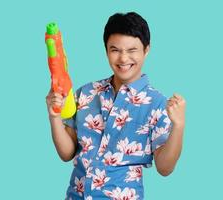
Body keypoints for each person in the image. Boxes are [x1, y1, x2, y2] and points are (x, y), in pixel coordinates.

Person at [46, 12, 186, 200]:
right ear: (106, 50)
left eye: (132, 50)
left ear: (146, 50)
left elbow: (165, 168)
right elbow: (67, 153)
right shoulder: (86, 93)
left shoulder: (157, 104)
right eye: (115, 50)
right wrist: (54, 116)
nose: (123, 58)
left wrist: (178, 126)